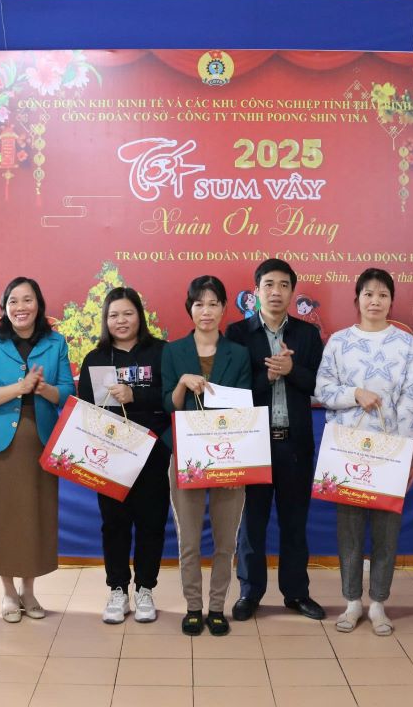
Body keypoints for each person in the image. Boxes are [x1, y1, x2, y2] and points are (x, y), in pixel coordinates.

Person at [314, 268, 413, 636]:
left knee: (387, 528)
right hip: (347, 448)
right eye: (368, 294)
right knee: (349, 527)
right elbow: (322, 390)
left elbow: (411, 398)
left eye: (383, 295)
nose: (375, 301)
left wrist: (407, 450)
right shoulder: (339, 343)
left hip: (391, 448)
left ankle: (378, 603)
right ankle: (351, 602)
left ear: (392, 300)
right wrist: (355, 394)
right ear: (357, 298)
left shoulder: (406, 344)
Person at [226, 259, 325, 622]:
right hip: (254, 443)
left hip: (295, 443)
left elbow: (319, 383)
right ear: (255, 291)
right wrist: (266, 377)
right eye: (268, 284)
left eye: (284, 285)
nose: (276, 292)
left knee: (294, 522)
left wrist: (292, 371)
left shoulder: (307, 335)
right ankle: (250, 593)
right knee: (252, 523)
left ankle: (296, 594)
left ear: (292, 292)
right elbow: (231, 391)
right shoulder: (238, 335)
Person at [0, 277, 73, 622]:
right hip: (1, 442)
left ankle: (29, 592)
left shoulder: (56, 342)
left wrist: (43, 390)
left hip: (40, 439)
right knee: (3, 516)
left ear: (39, 305)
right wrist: (20, 387)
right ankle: (8, 593)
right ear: (5, 307)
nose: (20, 307)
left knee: (35, 515)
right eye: (13, 301)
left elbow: (68, 392)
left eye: (27, 300)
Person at [161, 275, 252, 637]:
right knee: (190, 539)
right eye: (199, 303)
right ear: (190, 308)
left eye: (214, 303)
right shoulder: (173, 351)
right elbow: (166, 403)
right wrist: (183, 383)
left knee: (226, 539)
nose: (206, 310)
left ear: (224, 308)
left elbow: (244, 404)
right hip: (186, 453)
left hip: (229, 454)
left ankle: (217, 606)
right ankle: (193, 606)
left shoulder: (239, 353)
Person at [77, 287, 170, 624]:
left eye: (127, 313)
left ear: (139, 316)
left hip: (152, 454)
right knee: (114, 524)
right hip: (109, 457)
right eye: (113, 315)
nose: (121, 320)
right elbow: (85, 409)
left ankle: (145, 589)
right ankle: (117, 589)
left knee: (151, 524)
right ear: (106, 319)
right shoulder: (95, 358)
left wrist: (135, 396)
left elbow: (171, 397)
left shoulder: (160, 352)